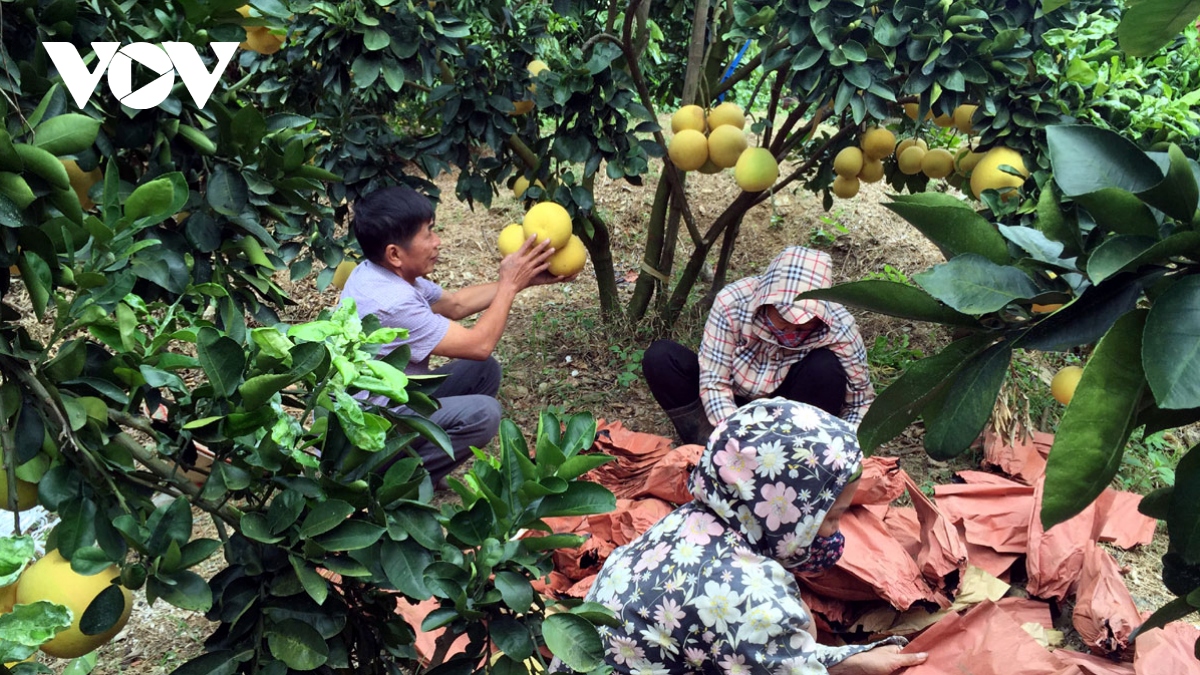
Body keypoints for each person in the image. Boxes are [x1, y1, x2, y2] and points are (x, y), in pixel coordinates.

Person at [553, 398, 928, 675]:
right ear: (783, 509)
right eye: (830, 518)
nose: (835, 532)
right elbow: (761, 639)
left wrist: (843, 661)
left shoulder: (689, 522)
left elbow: (751, 650)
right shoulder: (751, 595)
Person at [339, 185, 569, 482]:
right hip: (369, 431)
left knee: (482, 371)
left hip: (393, 400)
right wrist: (509, 285)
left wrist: (528, 280)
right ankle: (392, 481)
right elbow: (480, 344)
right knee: (483, 414)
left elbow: (457, 305)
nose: (438, 242)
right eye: (427, 235)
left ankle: (410, 459)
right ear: (395, 254)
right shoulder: (392, 303)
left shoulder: (378, 270)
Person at [642, 246, 873, 445]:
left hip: (792, 410)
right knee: (661, 358)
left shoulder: (840, 325)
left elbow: (860, 403)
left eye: (802, 328)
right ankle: (709, 441)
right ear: (766, 302)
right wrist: (735, 440)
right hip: (735, 400)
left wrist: (844, 445)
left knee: (825, 368)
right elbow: (715, 382)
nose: (791, 333)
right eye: (783, 322)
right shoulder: (732, 302)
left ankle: (798, 452)